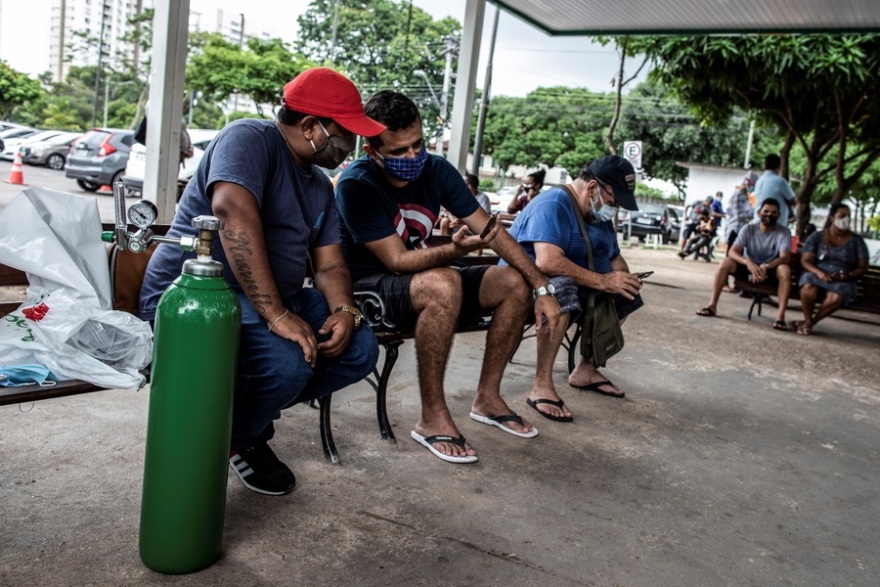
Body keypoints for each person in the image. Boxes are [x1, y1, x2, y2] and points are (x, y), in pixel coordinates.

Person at [139, 67, 385, 496]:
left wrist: (345, 311)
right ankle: (233, 436)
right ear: (310, 127)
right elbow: (230, 210)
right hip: (196, 298)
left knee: (361, 348)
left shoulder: (320, 186)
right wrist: (276, 315)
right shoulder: (249, 137)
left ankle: (234, 430)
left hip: (272, 299)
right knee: (286, 365)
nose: (351, 145)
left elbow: (329, 265)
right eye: (346, 133)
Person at [335, 90, 561, 464]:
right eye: (399, 151)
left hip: (423, 279)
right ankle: (432, 417)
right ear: (373, 152)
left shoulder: (437, 170)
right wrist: (455, 251)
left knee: (511, 281)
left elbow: (491, 229)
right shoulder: (356, 183)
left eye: (418, 144)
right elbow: (397, 261)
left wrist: (542, 286)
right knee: (445, 282)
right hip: (368, 290)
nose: (414, 156)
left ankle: (488, 398)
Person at [506, 155, 644, 419]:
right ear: (592, 188)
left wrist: (623, 278)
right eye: (614, 202)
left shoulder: (598, 216)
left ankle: (586, 369)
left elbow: (615, 259)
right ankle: (541, 385)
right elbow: (548, 262)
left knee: (626, 294)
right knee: (562, 291)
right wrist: (603, 281)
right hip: (526, 285)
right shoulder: (553, 204)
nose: (614, 209)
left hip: (574, 284)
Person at [696, 198, 793, 329]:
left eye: (773, 212)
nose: (769, 215)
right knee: (725, 262)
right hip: (747, 269)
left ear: (779, 215)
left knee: (785, 270)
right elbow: (733, 251)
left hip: (769, 270)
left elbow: (785, 257)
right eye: (766, 211)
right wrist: (748, 262)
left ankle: (780, 318)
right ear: (759, 213)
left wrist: (767, 266)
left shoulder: (784, 232)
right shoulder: (748, 229)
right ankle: (712, 305)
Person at [792, 203, 869, 335]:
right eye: (842, 216)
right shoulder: (817, 236)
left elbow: (862, 267)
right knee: (808, 286)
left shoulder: (857, 241)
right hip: (817, 273)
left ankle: (809, 323)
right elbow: (806, 260)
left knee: (836, 297)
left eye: (848, 216)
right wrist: (819, 273)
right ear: (832, 218)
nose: (846, 219)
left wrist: (848, 275)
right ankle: (808, 320)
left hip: (843, 279)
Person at [720, 171, 757, 293]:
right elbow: (737, 216)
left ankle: (738, 285)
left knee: (739, 258)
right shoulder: (737, 195)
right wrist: (753, 213)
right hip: (734, 229)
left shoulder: (745, 195)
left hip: (741, 230)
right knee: (730, 257)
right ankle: (723, 283)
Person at [754, 153, 796, 227]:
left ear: (765, 166)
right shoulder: (780, 182)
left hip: (759, 223)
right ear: (779, 166)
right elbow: (793, 201)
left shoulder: (759, 181)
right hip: (776, 225)